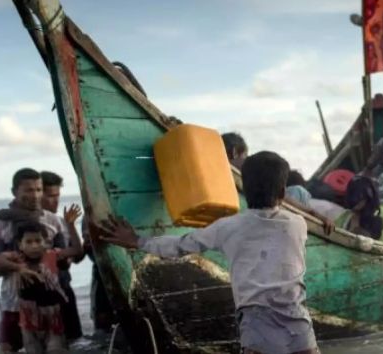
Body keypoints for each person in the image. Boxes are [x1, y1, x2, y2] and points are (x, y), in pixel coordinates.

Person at [98, 151, 319, 354]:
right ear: (282, 191)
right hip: (296, 321)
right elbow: (281, 209)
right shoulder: (297, 224)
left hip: (256, 322)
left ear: (242, 189)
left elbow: (180, 245)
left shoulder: (228, 227)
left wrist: (137, 240)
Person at [0, 168, 67, 353]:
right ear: (15, 192)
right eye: (29, 190)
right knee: (7, 347)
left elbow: (63, 260)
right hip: (13, 301)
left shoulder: (53, 221)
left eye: (39, 189)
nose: (35, 195)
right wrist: (17, 267)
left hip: (48, 302)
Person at [14, 205, 84, 354]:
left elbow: (77, 251)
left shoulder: (52, 256)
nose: (34, 246)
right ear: (20, 245)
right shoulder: (16, 262)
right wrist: (18, 269)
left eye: (38, 241)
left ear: (45, 242)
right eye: (29, 242)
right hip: (29, 320)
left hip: (54, 316)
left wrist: (70, 225)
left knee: (56, 349)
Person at [39, 171, 84, 342]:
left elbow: (77, 255)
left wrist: (69, 256)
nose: (55, 201)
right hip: (42, 291)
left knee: (73, 338)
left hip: (64, 286)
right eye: (50, 196)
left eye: (57, 195)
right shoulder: (30, 224)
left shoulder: (62, 222)